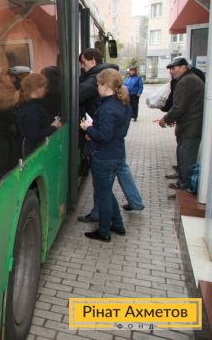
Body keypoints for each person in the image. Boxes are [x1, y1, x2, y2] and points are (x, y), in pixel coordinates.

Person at [77, 49, 144, 221]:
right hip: (115, 146)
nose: (82, 66)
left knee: (102, 186)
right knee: (120, 170)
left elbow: (78, 95)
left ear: (93, 60)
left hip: (104, 145)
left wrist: (90, 130)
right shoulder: (117, 93)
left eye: (83, 62)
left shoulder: (97, 79)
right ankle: (134, 204)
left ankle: (100, 217)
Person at [79, 68, 134, 242]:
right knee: (107, 193)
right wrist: (94, 132)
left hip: (104, 157)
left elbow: (104, 136)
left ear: (106, 85)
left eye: (98, 84)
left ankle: (104, 232)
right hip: (117, 154)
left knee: (103, 196)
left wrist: (88, 128)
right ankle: (117, 225)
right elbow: (115, 132)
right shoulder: (124, 103)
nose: (97, 88)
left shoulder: (107, 108)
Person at [156, 56, 204, 191]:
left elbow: (178, 107)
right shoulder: (190, 79)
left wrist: (166, 119)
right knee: (183, 155)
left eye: (173, 68)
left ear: (184, 67)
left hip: (191, 127)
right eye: (170, 68)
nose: (171, 71)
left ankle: (185, 185)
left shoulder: (185, 81)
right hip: (190, 125)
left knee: (186, 157)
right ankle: (183, 182)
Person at [15, 73, 62, 157]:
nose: (46, 90)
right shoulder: (30, 110)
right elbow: (34, 137)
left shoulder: (31, 106)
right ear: (37, 89)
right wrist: (53, 127)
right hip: (35, 153)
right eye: (44, 87)